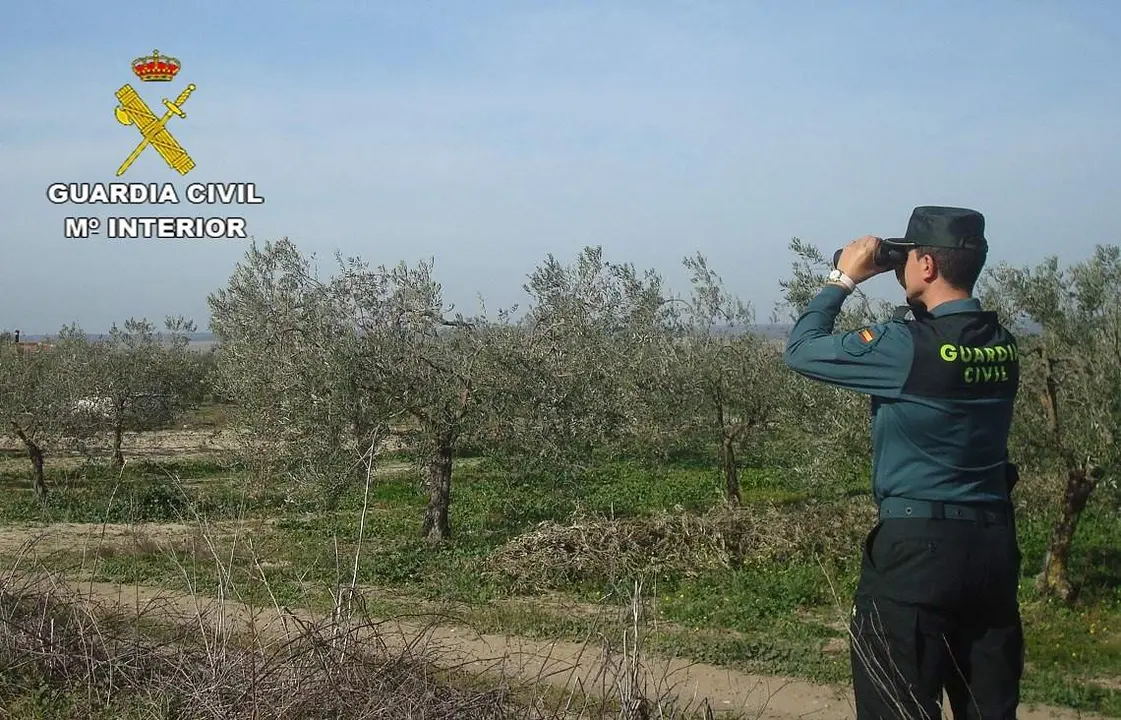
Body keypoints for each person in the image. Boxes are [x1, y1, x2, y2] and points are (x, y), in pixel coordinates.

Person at [782, 206, 1023, 719]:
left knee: (896, 706)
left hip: (917, 555)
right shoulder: (1004, 346)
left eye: (907, 258)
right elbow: (945, 343)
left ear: (929, 267)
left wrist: (843, 277)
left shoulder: (904, 348)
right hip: (992, 551)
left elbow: (802, 350)